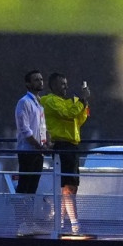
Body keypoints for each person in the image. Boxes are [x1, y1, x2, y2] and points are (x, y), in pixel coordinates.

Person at [40, 72, 90, 235]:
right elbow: (68, 113)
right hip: (61, 145)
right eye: (62, 84)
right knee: (67, 186)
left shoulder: (67, 103)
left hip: (71, 146)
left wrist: (84, 103)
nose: (66, 87)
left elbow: (78, 119)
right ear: (53, 86)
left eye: (66, 84)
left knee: (69, 186)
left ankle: (61, 223)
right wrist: (82, 101)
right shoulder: (50, 101)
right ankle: (74, 224)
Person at [14, 70, 48, 235]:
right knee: (24, 187)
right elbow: (25, 129)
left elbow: (41, 128)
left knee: (32, 188)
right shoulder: (24, 102)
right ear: (28, 84)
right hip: (28, 151)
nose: (40, 82)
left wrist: (46, 143)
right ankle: (22, 223)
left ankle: (29, 222)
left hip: (37, 152)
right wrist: (38, 145)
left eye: (41, 79)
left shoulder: (39, 103)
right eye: (36, 80)